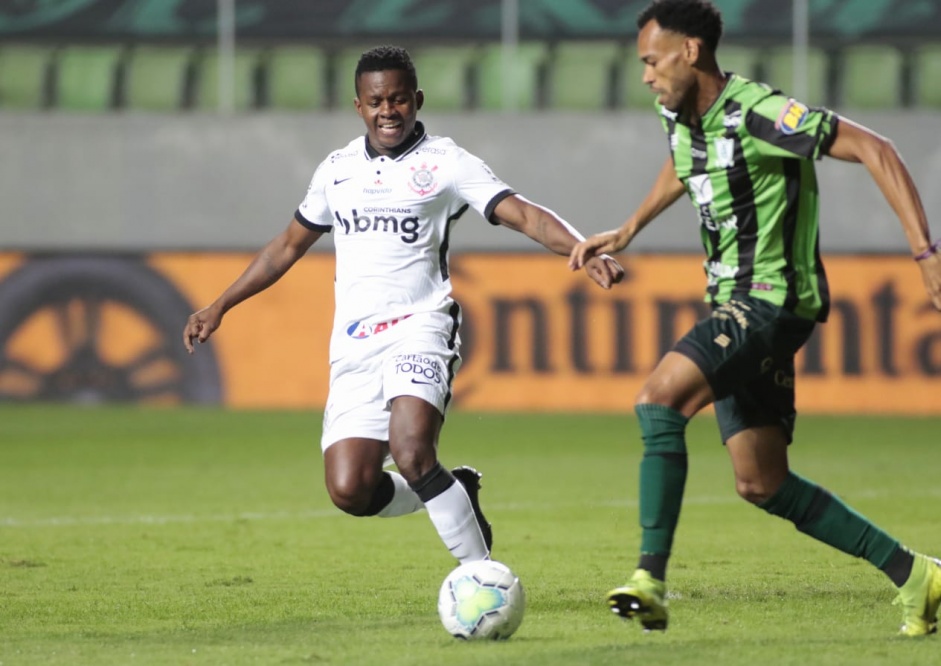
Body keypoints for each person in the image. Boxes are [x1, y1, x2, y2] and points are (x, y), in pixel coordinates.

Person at [569, 0, 941, 637]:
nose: (645, 76)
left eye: (652, 60)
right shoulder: (679, 115)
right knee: (761, 480)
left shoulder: (762, 113)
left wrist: (926, 256)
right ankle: (919, 577)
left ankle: (648, 578)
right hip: (734, 303)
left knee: (659, 400)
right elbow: (686, 163)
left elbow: (877, 149)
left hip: (771, 300)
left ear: (690, 51)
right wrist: (630, 227)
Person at [183, 45, 623, 569]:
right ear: (358, 106)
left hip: (421, 325)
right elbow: (286, 246)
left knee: (413, 451)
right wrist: (221, 304)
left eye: (397, 99)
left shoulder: (446, 162)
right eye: (375, 101)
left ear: (417, 100)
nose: (387, 111)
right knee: (350, 488)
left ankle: (483, 578)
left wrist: (581, 247)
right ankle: (453, 488)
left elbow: (522, 214)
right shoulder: (337, 170)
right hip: (354, 343)